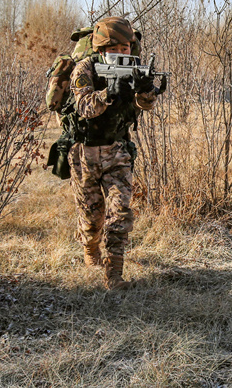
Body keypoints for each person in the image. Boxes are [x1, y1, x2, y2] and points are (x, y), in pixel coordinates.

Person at [68, 16, 156, 290]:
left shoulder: (135, 69)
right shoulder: (85, 69)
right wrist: (108, 94)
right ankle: (90, 251)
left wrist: (145, 89)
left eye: (126, 49)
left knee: (120, 213)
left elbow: (146, 105)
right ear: (102, 50)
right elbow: (84, 107)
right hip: (85, 153)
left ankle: (114, 275)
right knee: (92, 219)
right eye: (115, 50)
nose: (122, 55)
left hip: (117, 151)